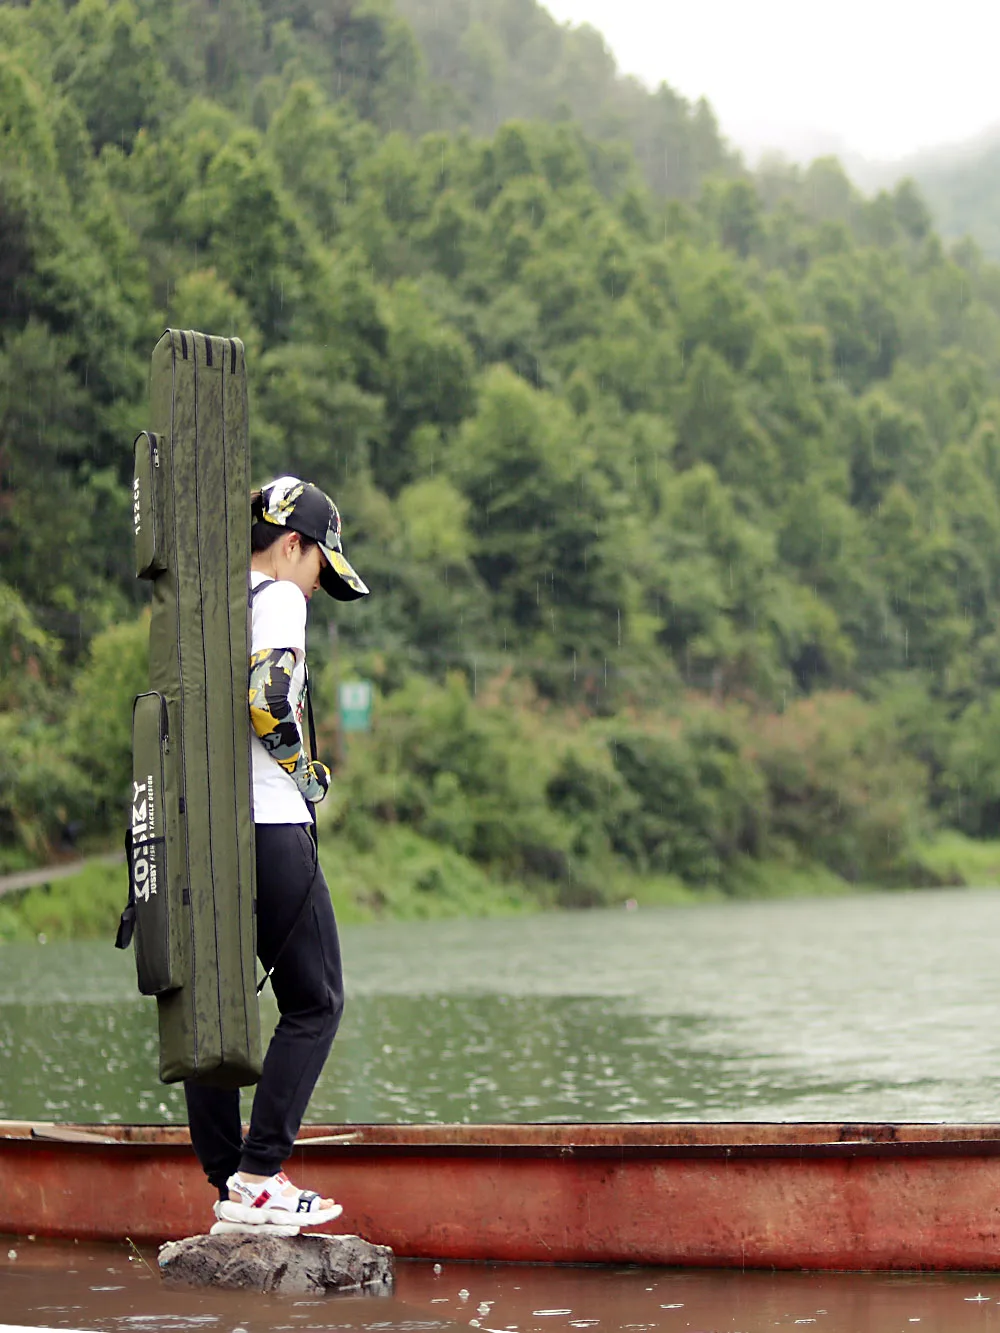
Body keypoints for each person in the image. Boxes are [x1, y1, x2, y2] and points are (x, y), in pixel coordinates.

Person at [184, 475, 369, 1231]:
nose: (320, 585)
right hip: (270, 824)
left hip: (211, 837)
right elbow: (269, 701)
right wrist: (307, 775)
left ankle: (230, 1180)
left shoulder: (211, 606)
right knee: (316, 999)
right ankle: (260, 1173)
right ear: (291, 544)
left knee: (218, 1015)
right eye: (320, 564)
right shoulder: (280, 598)